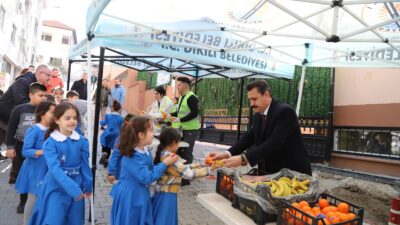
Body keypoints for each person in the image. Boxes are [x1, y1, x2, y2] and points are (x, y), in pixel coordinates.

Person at [210, 80, 312, 176]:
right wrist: (227, 153)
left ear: (266, 95)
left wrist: (244, 158)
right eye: (250, 100)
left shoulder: (285, 111)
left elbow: (275, 142)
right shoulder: (258, 115)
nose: (251, 104)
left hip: (293, 172)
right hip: (270, 172)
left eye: (254, 99)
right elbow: (249, 138)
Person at [28, 102, 93, 225]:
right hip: (56, 188)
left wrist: (88, 185)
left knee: (75, 220)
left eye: (75, 118)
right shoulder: (50, 143)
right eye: (67, 118)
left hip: (77, 187)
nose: (72, 121)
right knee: (54, 220)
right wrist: (73, 188)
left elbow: (85, 166)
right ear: (57, 120)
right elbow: (54, 169)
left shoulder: (82, 141)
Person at [110, 116, 178, 225]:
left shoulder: (144, 151)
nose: (154, 133)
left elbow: (151, 171)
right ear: (141, 135)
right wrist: (164, 164)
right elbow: (147, 177)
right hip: (131, 197)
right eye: (151, 130)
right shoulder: (132, 156)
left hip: (140, 195)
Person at [152, 128, 215, 225]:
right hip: (167, 196)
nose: (179, 144)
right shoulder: (171, 158)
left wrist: (202, 164)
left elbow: (183, 168)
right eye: (179, 142)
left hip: (162, 193)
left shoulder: (164, 153)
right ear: (173, 142)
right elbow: (188, 174)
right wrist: (210, 169)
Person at [5, 82, 47, 213]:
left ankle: (38, 197)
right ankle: (23, 201)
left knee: (37, 172)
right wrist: (10, 147)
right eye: (41, 95)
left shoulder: (46, 110)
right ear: (31, 95)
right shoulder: (19, 109)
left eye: (45, 96)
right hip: (21, 146)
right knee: (21, 173)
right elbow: (11, 129)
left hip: (39, 148)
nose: (44, 98)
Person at [15, 101, 56, 225]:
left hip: (48, 169)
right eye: (52, 112)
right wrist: (42, 151)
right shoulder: (35, 130)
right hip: (35, 169)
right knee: (33, 199)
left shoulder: (54, 130)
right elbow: (26, 151)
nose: (54, 115)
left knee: (45, 198)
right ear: (42, 114)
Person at [0, 65, 51, 147]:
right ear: (41, 73)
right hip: (3, 120)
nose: (49, 79)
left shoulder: (31, 83)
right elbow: (21, 102)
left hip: (11, 120)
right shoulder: (23, 82)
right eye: (48, 75)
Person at [169, 77, 200, 186]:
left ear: (185, 85)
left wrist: (180, 119)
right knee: (181, 151)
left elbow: (194, 113)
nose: (177, 87)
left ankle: (186, 179)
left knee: (187, 152)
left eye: (178, 85)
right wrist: (168, 116)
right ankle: (182, 175)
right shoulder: (183, 97)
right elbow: (179, 113)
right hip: (184, 129)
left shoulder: (191, 97)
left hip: (191, 129)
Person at [107, 113, 135, 183]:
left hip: (132, 173)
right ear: (127, 123)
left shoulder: (136, 137)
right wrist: (111, 172)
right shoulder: (121, 138)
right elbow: (115, 156)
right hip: (122, 172)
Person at [99, 100, 124, 168]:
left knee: (105, 146)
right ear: (119, 109)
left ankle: (104, 155)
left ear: (112, 108)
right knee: (110, 147)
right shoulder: (121, 118)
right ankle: (107, 159)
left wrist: (101, 121)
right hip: (116, 135)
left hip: (107, 133)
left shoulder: (108, 115)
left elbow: (103, 123)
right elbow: (122, 127)